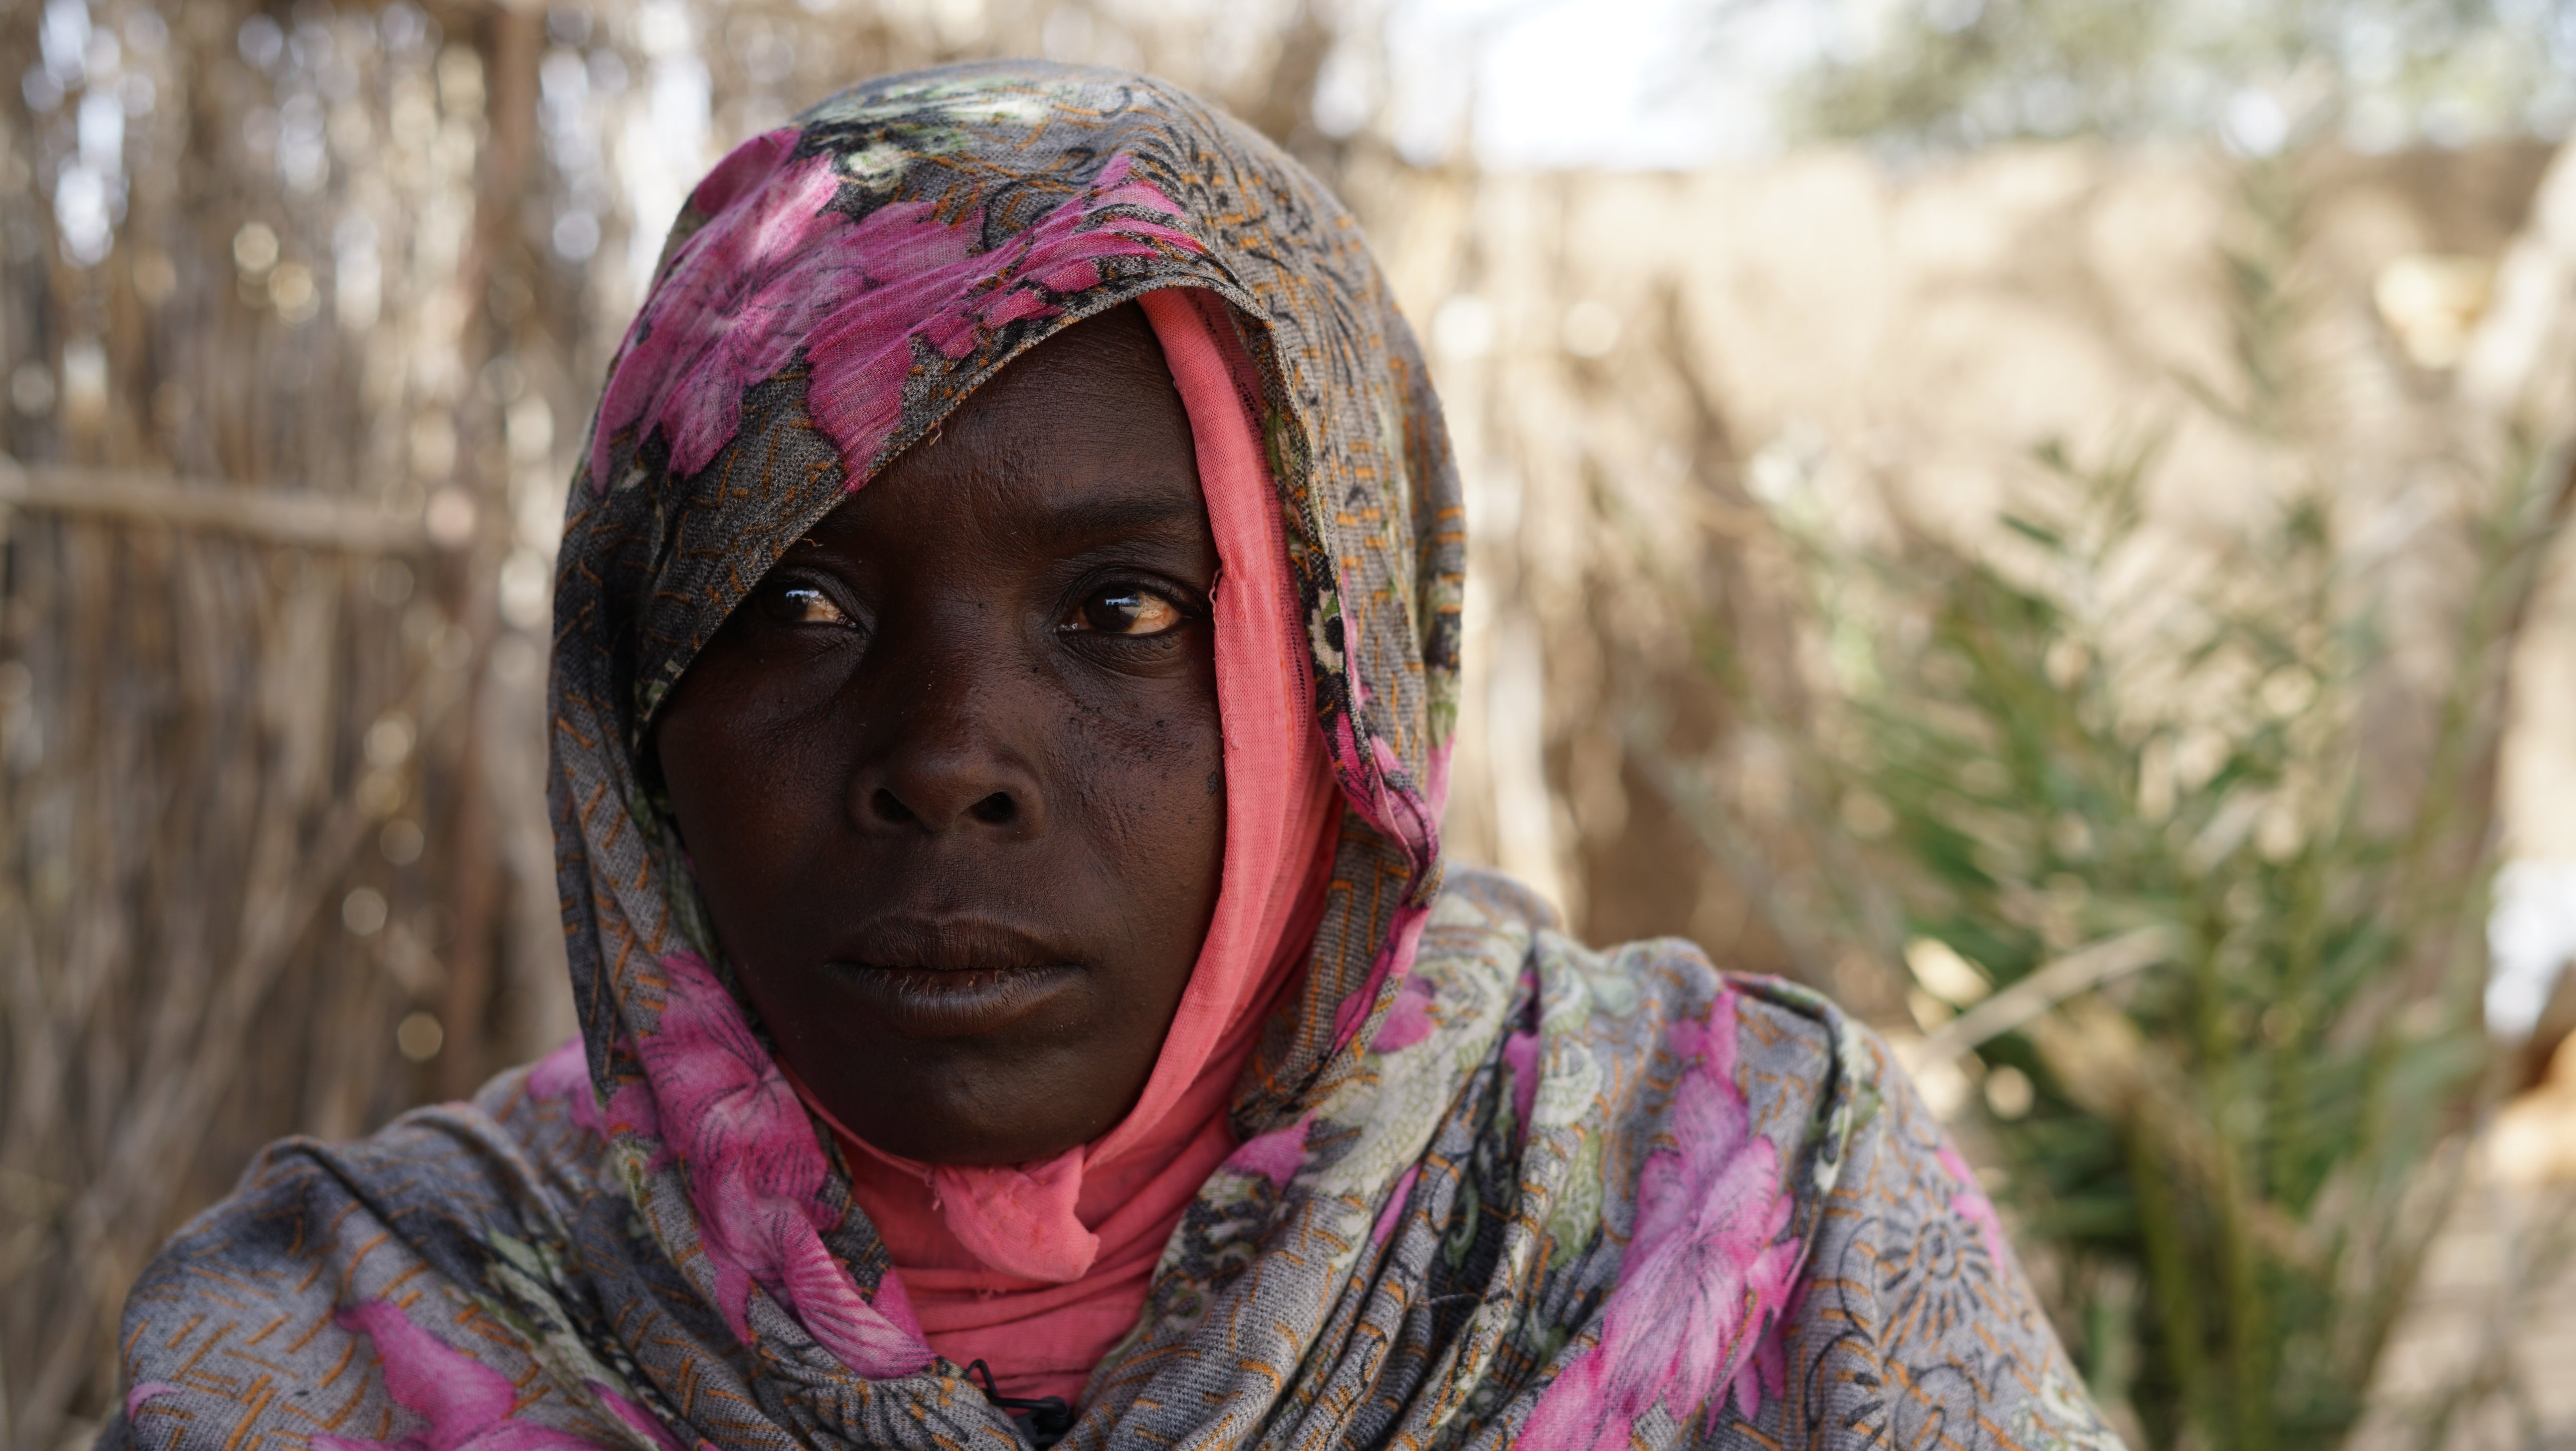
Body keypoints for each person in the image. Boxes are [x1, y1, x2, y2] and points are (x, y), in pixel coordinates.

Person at [104, 62, 2122, 1451]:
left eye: (1125, 614)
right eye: (795, 609)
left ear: (1340, 700)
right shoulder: (335, 1350)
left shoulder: (1749, 1220)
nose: (947, 759)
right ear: (635, 717)